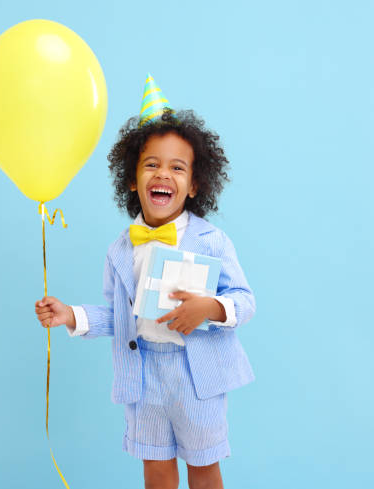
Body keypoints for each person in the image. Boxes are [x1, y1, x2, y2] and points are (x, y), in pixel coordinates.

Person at [35, 74, 255, 489]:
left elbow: (245, 300)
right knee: (155, 470)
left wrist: (210, 307)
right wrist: (71, 316)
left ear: (195, 185)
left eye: (177, 167)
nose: (163, 174)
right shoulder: (121, 249)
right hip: (144, 375)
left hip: (196, 378)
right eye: (151, 164)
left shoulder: (212, 241)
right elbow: (118, 315)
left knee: (204, 468)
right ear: (132, 180)